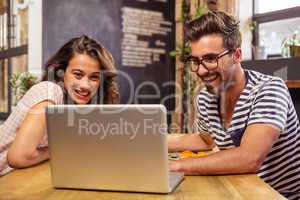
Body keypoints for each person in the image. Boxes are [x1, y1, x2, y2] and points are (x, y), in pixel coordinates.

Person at [168, 11, 300, 199]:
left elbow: (249, 158)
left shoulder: (270, 89)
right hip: (242, 190)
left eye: (211, 59)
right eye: (196, 61)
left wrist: (173, 167)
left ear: (237, 54)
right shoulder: (206, 98)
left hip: (282, 196)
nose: (201, 70)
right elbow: (207, 140)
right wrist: (151, 142)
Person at [0, 35, 120, 176]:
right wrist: (63, 147)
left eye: (94, 77)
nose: (85, 85)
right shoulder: (50, 91)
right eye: (78, 74)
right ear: (61, 72)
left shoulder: (74, 105)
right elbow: (18, 158)